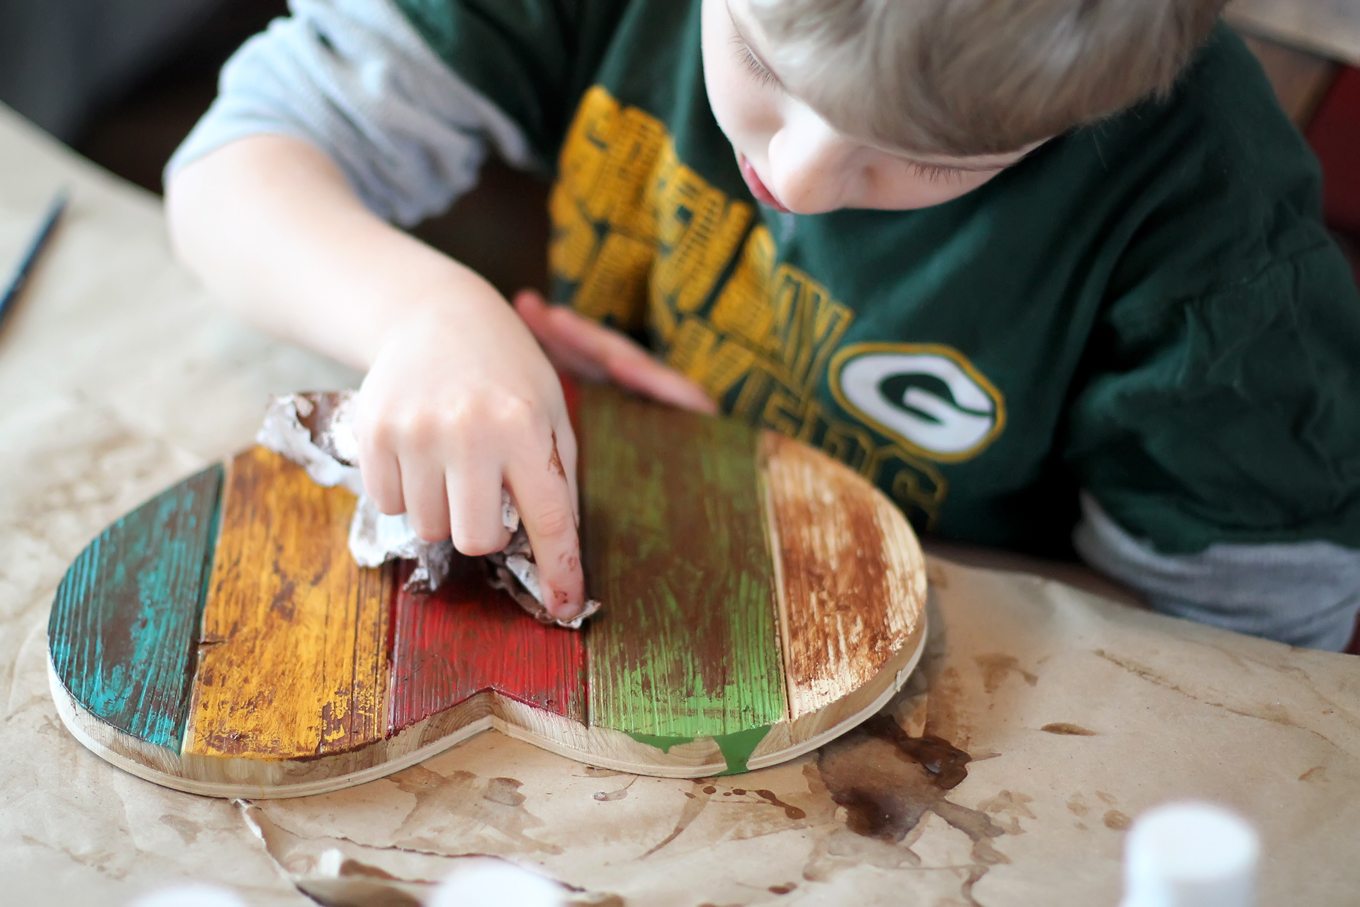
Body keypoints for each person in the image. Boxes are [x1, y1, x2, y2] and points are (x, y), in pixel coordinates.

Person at [164, 0, 1360, 649]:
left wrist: (803, 512)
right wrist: (423, 310)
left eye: (929, 163)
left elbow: (1249, 648)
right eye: (754, 53)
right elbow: (236, 166)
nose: (800, 172)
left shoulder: (1216, 241)